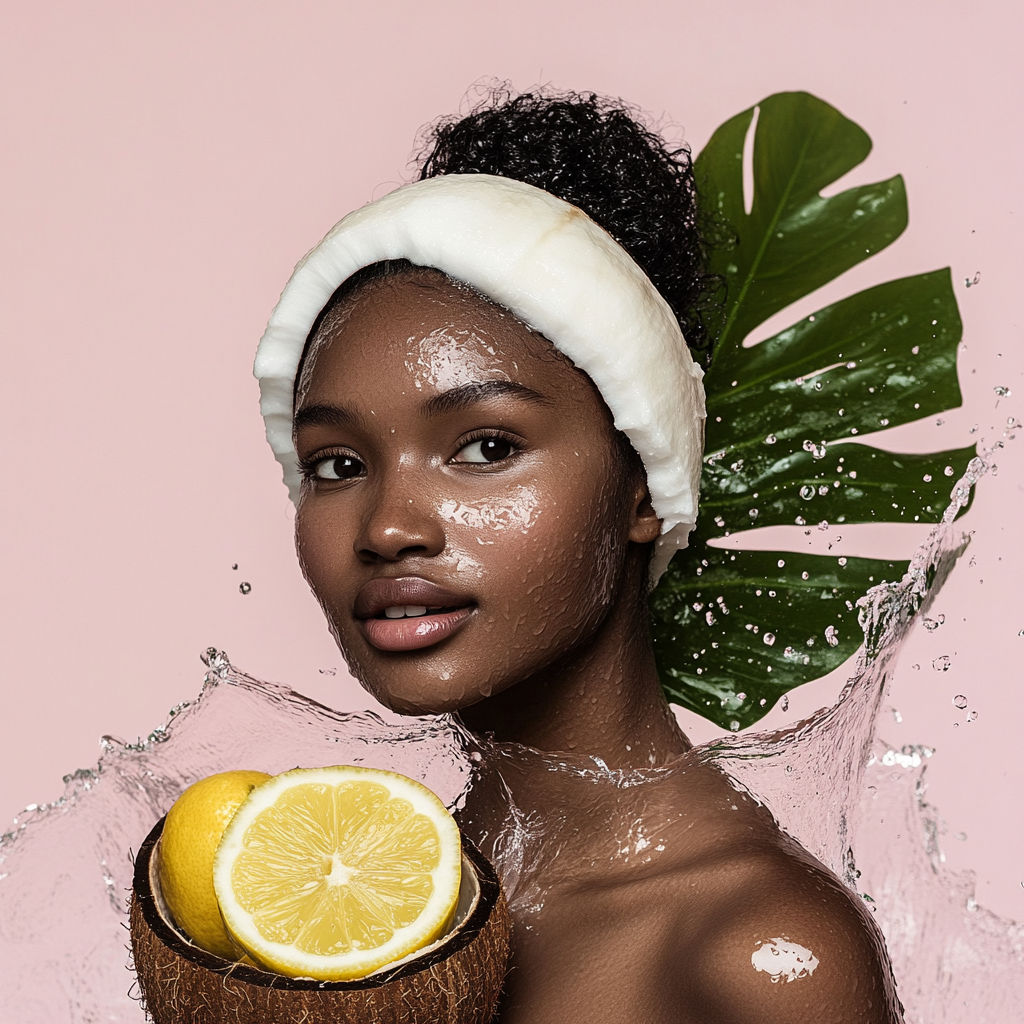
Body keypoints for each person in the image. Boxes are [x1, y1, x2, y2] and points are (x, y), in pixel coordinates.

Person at [254, 89, 902, 1023]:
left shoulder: (757, 954)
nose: (390, 527)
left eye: (486, 448)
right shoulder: (355, 907)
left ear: (643, 485)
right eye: (338, 464)